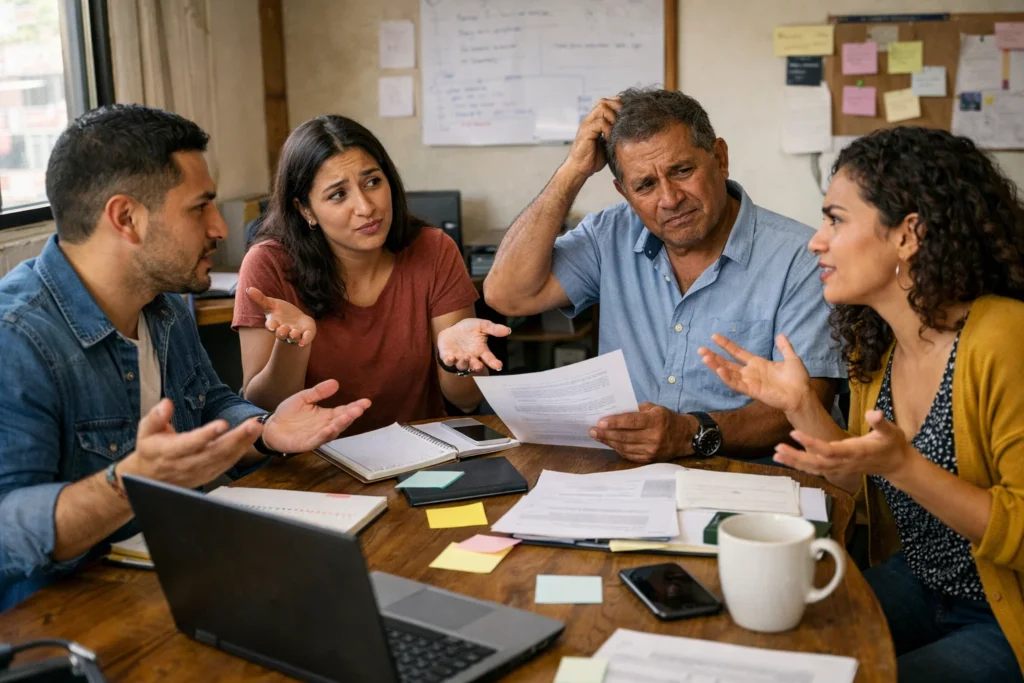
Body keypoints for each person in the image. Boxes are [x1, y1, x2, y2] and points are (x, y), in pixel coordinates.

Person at [0, 105, 371, 610]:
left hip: (183, 578)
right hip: (67, 621)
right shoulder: (16, 338)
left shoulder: (165, 302)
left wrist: (264, 432)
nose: (221, 228)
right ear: (126, 218)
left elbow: (210, 400)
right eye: (201, 207)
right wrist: (130, 484)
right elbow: (7, 530)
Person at [699, 127, 1024, 682]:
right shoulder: (876, 345)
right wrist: (800, 405)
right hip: (919, 580)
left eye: (836, 219)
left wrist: (904, 465)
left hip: (999, 609)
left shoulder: (1002, 336)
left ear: (908, 234)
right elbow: (858, 480)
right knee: (757, 647)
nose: (816, 241)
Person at [483, 88, 844, 463]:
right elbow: (506, 296)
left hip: (752, 479)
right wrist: (572, 171)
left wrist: (690, 433)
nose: (670, 199)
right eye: (645, 185)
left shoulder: (801, 257)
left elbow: (809, 405)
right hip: (629, 479)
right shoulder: (611, 234)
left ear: (720, 159)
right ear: (624, 192)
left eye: (682, 171)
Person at [233, 115, 508, 435]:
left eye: (373, 182)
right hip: (314, 462)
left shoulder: (434, 249)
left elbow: (467, 400)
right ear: (305, 209)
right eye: (338, 194)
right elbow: (263, 409)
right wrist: (292, 346)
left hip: (420, 454)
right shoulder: (268, 265)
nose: (366, 207)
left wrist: (454, 362)